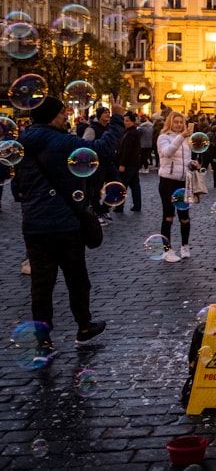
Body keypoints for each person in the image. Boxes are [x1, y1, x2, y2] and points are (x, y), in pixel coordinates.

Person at [13, 96, 124, 364]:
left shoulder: (22, 144)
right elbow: (103, 148)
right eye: (63, 112)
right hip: (65, 225)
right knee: (76, 279)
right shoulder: (61, 141)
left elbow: (16, 191)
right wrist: (118, 118)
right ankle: (84, 326)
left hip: (34, 225)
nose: (66, 116)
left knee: (41, 285)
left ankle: (42, 342)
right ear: (52, 116)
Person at [157, 111, 199, 262]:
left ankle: (185, 246)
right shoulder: (163, 138)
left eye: (181, 122)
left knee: (184, 217)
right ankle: (167, 251)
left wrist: (192, 164)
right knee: (168, 216)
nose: (179, 125)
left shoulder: (186, 140)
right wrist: (181, 137)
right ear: (170, 122)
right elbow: (168, 153)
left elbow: (185, 160)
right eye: (176, 122)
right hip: (168, 181)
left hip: (183, 181)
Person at [82, 106, 115, 226]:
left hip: (109, 163)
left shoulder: (109, 128)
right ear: (99, 115)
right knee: (95, 190)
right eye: (105, 113)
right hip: (97, 164)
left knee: (117, 185)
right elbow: (85, 144)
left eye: (109, 112)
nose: (107, 114)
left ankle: (104, 209)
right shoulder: (92, 129)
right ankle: (96, 213)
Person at [116, 111, 143, 212]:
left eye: (127, 121)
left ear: (132, 121)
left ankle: (119, 206)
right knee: (135, 185)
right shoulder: (129, 131)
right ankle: (137, 205)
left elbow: (127, 151)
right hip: (133, 163)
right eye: (124, 120)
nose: (125, 122)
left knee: (123, 185)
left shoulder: (131, 133)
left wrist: (122, 164)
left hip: (129, 164)